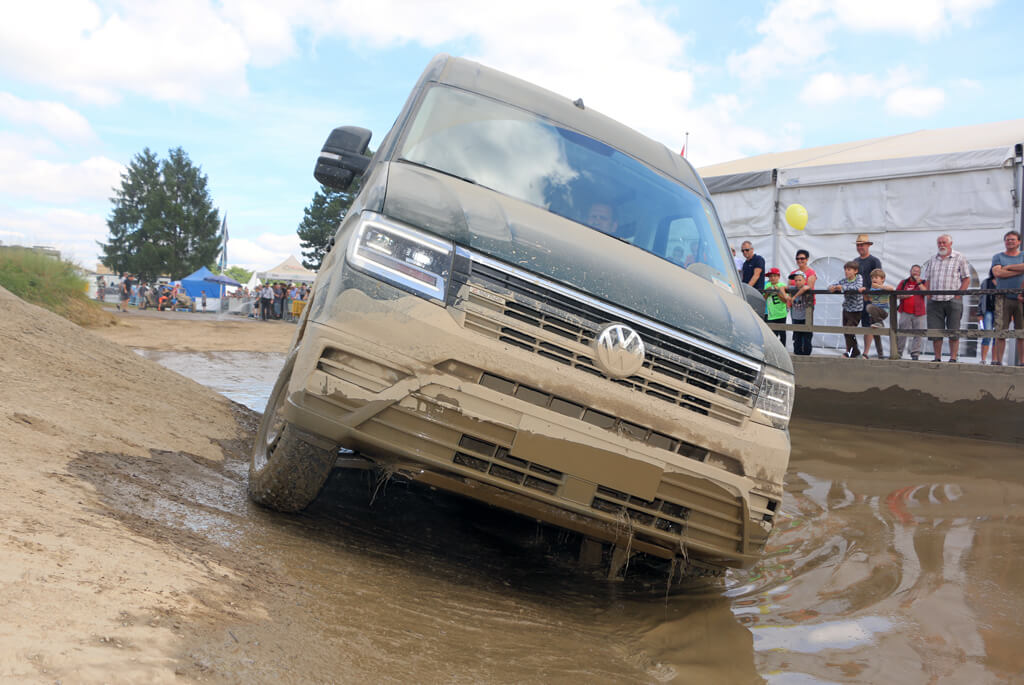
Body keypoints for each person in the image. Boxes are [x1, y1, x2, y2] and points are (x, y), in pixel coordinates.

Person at [921, 234, 970, 362]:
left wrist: (959, 295)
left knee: (954, 330)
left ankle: (953, 358)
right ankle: (937, 357)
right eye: (939, 243)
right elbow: (928, 279)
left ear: (950, 243)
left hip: (952, 299)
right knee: (935, 331)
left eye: (944, 242)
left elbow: (966, 278)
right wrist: (928, 294)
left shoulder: (959, 257)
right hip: (935, 300)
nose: (941, 245)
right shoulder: (932, 259)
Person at [990, 230, 1024, 366]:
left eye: (1013, 239)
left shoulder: (1022, 255)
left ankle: (1022, 362)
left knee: (1021, 332)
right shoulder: (998, 257)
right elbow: (998, 273)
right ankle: (998, 361)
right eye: (1007, 239)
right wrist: (1019, 271)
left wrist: (1008, 267)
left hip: (1021, 298)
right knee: (1001, 331)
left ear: (1019, 242)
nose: (1010, 241)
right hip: (1002, 297)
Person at [829, 261, 865, 358]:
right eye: (845, 269)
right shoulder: (844, 280)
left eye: (849, 270)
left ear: (855, 271)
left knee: (849, 330)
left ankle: (853, 352)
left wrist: (842, 287)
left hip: (856, 310)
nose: (846, 271)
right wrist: (833, 287)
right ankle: (852, 351)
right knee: (846, 331)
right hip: (846, 308)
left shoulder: (859, 278)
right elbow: (832, 286)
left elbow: (857, 287)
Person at [852, 235, 881, 355]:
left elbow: (878, 280)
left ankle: (866, 352)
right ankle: (853, 351)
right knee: (851, 325)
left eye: (862, 245)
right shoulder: (855, 261)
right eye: (858, 245)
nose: (860, 247)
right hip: (856, 298)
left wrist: (869, 291)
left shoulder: (874, 261)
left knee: (869, 325)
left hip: (870, 298)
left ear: (868, 245)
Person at [895, 265, 927, 360]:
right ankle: (899, 352)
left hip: (919, 312)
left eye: (917, 271)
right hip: (905, 311)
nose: (915, 273)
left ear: (920, 273)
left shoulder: (923, 282)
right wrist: (905, 295)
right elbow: (896, 295)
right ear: (910, 271)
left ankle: (915, 353)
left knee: (918, 333)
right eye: (914, 271)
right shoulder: (904, 282)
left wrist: (919, 282)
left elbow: (926, 292)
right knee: (902, 332)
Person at [863, 268, 895, 359]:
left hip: (883, 312)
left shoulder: (885, 288)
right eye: (872, 278)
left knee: (869, 307)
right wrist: (864, 293)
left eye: (876, 277)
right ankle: (880, 354)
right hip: (874, 315)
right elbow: (868, 299)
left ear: (882, 279)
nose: (874, 279)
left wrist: (880, 287)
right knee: (876, 334)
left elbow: (892, 289)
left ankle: (880, 322)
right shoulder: (872, 289)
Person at [788, 250, 817, 328]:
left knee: (807, 329)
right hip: (795, 305)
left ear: (807, 259)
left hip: (807, 304)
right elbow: (789, 288)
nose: (799, 260)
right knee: (796, 328)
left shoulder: (811, 272)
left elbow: (809, 287)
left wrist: (794, 296)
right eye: (797, 258)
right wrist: (788, 301)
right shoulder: (793, 273)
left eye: (802, 258)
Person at [763, 268, 790, 345]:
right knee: (772, 335)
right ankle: (773, 349)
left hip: (781, 314)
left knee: (782, 334)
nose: (772, 278)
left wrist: (778, 292)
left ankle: (783, 348)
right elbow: (763, 299)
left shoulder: (782, 286)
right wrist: (767, 292)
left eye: (774, 276)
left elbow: (785, 300)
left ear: (778, 277)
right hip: (771, 314)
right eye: (770, 276)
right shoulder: (767, 285)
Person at [789, 271, 813, 355]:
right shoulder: (793, 288)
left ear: (804, 280)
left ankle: (806, 353)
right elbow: (782, 287)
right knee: (797, 336)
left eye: (799, 280)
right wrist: (786, 296)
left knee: (807, 336)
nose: (797, 282)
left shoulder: (807, 287)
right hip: (796, 317)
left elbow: (805, 288)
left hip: (805, 317)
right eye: (796, 280)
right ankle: (797, 352)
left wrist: (795, 296)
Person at [978, 267, 997, 365]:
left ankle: (994, 360)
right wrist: (979, 313)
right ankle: (983, 359)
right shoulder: (986, 282)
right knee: (987, 335)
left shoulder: (1004, 282)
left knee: (997, 337)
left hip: (1000, 312)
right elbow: (981, 298)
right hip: (988, 311)